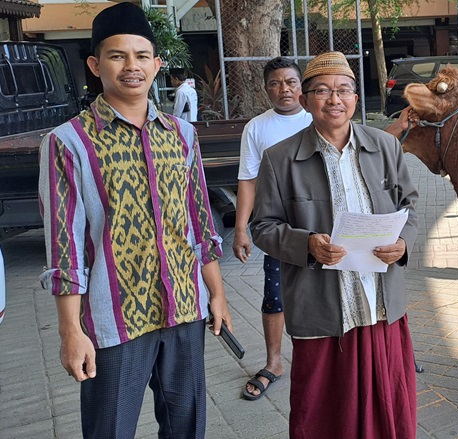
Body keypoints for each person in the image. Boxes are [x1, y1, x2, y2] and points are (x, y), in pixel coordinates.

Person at [37, 3, 232, 438]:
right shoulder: (68, 143)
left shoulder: (182, 135)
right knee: (110, 429)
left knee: (186, 427)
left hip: (184, 306)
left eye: (142, 56)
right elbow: (64, 247)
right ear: (95, 64)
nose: (132, 66)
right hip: (114, 319)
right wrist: (71, 332)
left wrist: (215, 294)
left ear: (157, 64)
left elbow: (200, 223)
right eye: (117, 55)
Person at [250, 51, 418, 438]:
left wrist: (404, 244)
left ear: (357, 98)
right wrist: (307, 244)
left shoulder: (386, 147)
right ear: (306, 100)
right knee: (323, 409)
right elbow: (262, 227)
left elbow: (409, 205)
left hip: (378, 301)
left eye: (344, 90)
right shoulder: (279, 159)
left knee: (387, 399)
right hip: (322, 304)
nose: (334, 99)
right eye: (322, 91)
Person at [233, 56, 313, 401]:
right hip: (278, 224)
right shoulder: (257, 128)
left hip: (323, 222)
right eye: (275, 83)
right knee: (275, 294)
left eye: (291, 82)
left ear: (301, 85)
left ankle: (331, 360)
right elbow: (247, 181)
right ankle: (274, 362)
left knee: (330, 288)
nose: (284, 89)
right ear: (266, 89)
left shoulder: (319, 116)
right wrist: (240, 229)